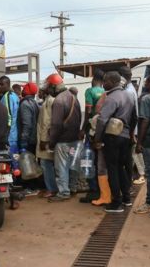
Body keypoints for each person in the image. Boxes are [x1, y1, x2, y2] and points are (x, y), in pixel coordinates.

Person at [93, 71, 137, 213]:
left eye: (105, 81)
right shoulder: (129, 96)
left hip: (112, 137)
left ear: (112, 81)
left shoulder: (111, 98)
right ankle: (126, 198)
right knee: (121, 168)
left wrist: (97, 139)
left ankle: (116, 203)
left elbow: (102, 119)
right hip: (125, 136)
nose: (103, 84)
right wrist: (130, 134)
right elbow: (135, 117)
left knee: (112, 169)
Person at [48, 73, 81, 201]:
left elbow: (56, 124)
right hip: (74, 139)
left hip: (62, 141)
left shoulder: (59, 100)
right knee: (72, 166)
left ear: (53, 86)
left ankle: (63, 193)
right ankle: (72, 188)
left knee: (61, 167)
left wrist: (52, 142)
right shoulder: (73, 97)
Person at [134, 74, 150, 214]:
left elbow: (144, 121)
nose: (144, 84)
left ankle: (149, 203)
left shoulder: (146, 99)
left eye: (146, 82)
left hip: (149, 140)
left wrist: (139, 142)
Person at [118, 66, 145, 186]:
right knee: (132, 156)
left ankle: (137, 177)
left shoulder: (127, 91)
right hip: (133, 128)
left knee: (131, 156)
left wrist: (130, 132)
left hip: (130, 128)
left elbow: (130, 113)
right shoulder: (131, 88)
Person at [82, 69, 106, 203]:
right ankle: (102, 190)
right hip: (103, 130)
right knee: (101, 161)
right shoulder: (105, 92)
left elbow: (88, 111)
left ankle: (93, 190)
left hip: (92, 130)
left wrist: (83, 128)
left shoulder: (90, 91)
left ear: (93, 79)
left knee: (90, 160)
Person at [36, 82, 59, 198]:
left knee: (46, 164)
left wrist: (43, 141)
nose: (38, 93)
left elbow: (46, 122)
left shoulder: (48, 102)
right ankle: (53, 187)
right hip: (52, 138)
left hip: (46, 140)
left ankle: (51, 189)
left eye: (40, 91)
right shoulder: (51, 101)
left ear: (45, 91)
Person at [0, 75, 20, 161]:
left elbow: (8, 117)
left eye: (1, 84)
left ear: (7, 84)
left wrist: (5, 136)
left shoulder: (7, 96)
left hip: (9, 137)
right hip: (14, 135)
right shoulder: (14, 95)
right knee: (15, 161)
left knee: (10, 161)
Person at [18, 82, 39, 153]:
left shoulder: (25, 104)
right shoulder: (35, 103)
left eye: (23, 88)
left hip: (28, 142)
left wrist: (23, 143)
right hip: (34, 140)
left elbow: (27, 125)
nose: (22, 90)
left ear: (26, 91)